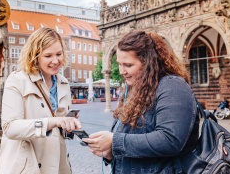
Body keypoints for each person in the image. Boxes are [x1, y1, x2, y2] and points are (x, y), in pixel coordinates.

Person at [83, 31, 200, 173]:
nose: (121, 71)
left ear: (148, 63)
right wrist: (111, 153)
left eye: (128, 65)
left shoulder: (173, 86)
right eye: (119, 64)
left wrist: (115, 141)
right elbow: (134, 142)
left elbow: (170, 140)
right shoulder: (137, 88)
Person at [0, 28, 81, 174]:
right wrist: (52, 122)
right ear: (34, 56)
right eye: (48, 55)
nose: (56, 61)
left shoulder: (63, 83)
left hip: (57, 166)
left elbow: (59, 131)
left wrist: (68, 125)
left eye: (59, 54)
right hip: (27, 166)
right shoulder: (17, 81)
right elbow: (10, 127)